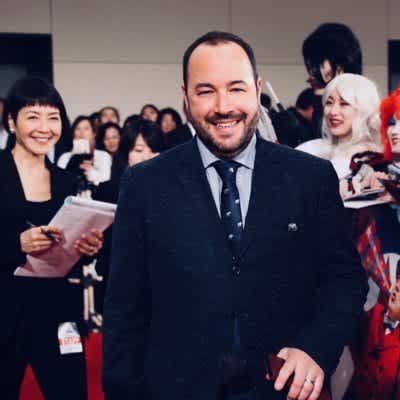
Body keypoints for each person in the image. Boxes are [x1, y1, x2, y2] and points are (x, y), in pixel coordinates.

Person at [103, 31, 367, 400]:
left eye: (236, 88)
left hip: (282, 388)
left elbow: (345, 281)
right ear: (185, 97)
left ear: (257, 89)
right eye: (206, 91)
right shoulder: (145, 184)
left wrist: (316, 349)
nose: (223, 106)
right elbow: (124, 312)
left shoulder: (309, 178)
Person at [0, 76, 104, 399]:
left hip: (58, 310)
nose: (44, 128)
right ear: (11, 122)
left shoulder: (66, 182)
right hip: (5, 311)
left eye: (53, 117)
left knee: (71, 391)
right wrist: (17, 243)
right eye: (33, 116)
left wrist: (88, 248)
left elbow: (71, 247)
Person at [296, 74, 381, 187]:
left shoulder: (375, 158)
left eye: (344, 104)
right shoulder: (310, 148)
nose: (333, 112)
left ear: (364, 110)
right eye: (329, 103)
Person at [58, 115, 112, 186]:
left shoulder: (103, 156)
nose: (81, 132)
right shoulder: (65, 157)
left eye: (86, 128)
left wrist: (89, 170)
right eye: (78, 128)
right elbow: (59, 181)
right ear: (73, 133)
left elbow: (105, 180)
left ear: (94, 133)